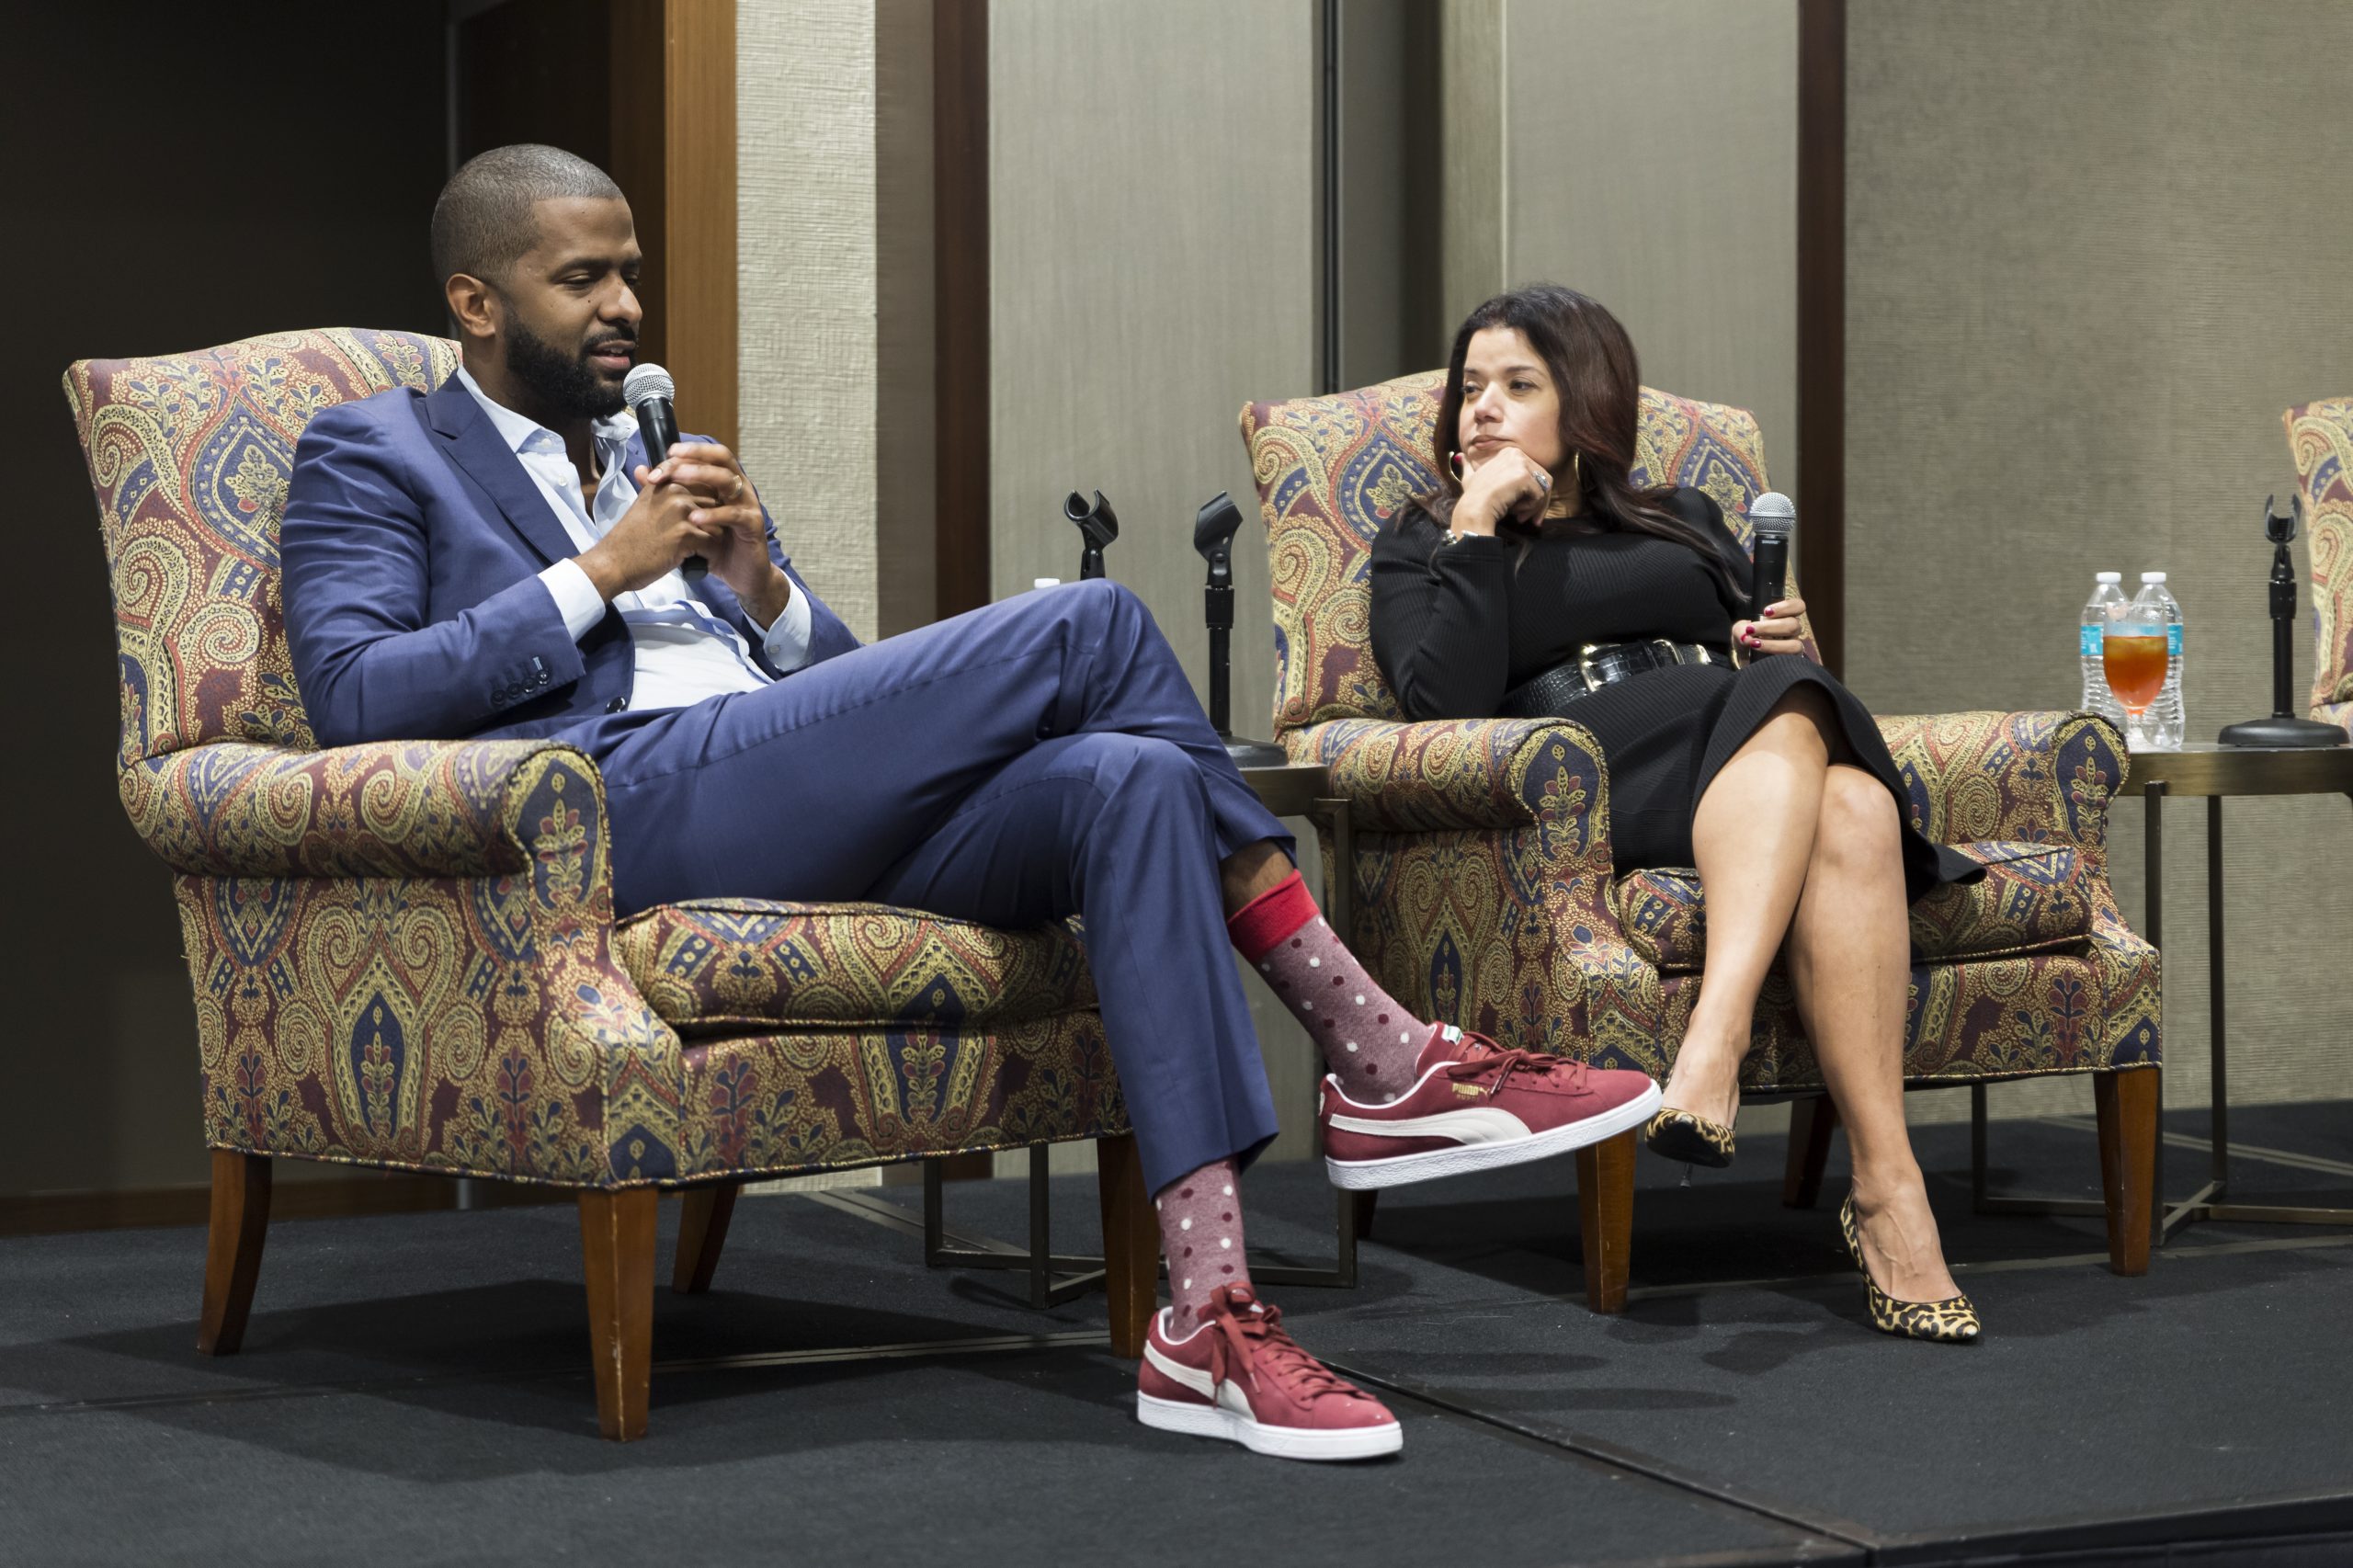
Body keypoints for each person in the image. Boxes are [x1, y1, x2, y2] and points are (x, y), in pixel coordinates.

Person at [280, 146, 1663, 1460]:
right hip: (618, 808)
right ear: (475, 301)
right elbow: (352, 695)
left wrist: (762, 589)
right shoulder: (374, 451)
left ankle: (1211, 1316)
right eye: (582, 280)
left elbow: (821, 683)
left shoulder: (658, 443)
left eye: (630, 272)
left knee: (1130, 780)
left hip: (776, 787)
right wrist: (601, 571)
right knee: (1093, 629)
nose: (626, 306)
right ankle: (1374, 1050)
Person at [1367, 285, 1984, 1345]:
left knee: (1845, 798)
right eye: (1470, 388)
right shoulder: (1421, 542)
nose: (1482, 409)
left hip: (1739, 763)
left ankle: (1878, 1176)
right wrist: (1474, 521)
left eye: (1518, 386)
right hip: (1588, 776)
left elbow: (1782, 675)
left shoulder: (1685, 516)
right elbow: (1444, 713)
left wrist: (1793, 640)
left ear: (1586, 401)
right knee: (1807, 743)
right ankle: (1742, 1053)